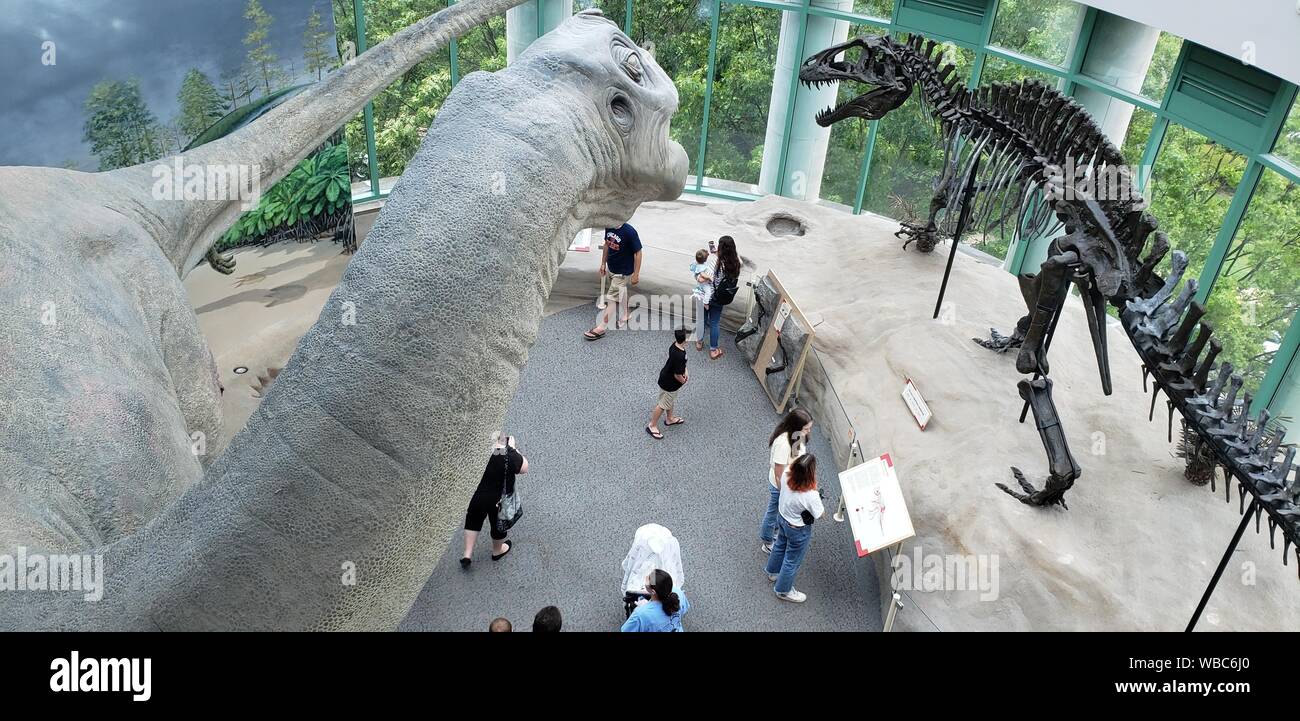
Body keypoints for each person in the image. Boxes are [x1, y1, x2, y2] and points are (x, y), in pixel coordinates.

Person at [460, 434, 528, 568]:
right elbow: (524, 468)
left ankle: (467, 554)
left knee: (473, 520)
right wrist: (513, 449)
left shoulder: (480, 451)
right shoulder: (508, 455)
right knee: (498, 526)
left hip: (478, 495)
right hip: (498, 500)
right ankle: (497, 551)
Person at [765, 454, 823, 603]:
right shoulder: (811, 495)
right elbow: (820, 514)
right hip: (798, 529)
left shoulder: (785, 474)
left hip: (782, 518)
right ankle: (783, 590)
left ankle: (772, 572)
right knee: (792, 559)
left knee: (779, 545)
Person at [760, 409, 812, 554]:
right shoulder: (783, 444)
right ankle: (767, 540)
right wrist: (786, 493)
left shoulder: (796, 436)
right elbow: (778, 474)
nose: (808, 432)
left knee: (777, 511)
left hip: (790, 484)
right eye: (806, 428)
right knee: (773, 511)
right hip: (780, 487)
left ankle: (774, 532)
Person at [584, 223, 642, 340]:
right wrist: (603, 263)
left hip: (622, 272)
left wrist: (636, 274)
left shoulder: (630, 232)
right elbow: (607, 244)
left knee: (611, 299)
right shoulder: (609, 225)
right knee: (620, 291)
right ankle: (626, 314)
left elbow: (638, 252)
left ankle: (601, 327)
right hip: (612, 268)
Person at [699, 235, 740, 359]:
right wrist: (717, 253)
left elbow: (705, 277)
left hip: (707, 295)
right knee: (715, 322)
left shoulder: (717, 263)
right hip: (720, 298)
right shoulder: (736, 264)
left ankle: (699, 342)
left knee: (702, 319)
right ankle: (713, 350)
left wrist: (700, 274)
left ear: (721, 248)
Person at [646, 328, 688, 439]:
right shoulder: (680, 355)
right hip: (670, 383)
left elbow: (681, 366)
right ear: (685, 340)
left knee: (669, 400)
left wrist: (685, 370)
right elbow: (677, 375)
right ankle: (652, 425)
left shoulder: (674, 346)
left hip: (665, 378)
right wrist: (684, 381)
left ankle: (669, 419)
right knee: (662, 404)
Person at [621, 569, 689, 632]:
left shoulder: (641, 614)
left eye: (648, 580)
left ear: (653, 591)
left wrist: (643, 608)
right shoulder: (678, 593)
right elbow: (684, 609)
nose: (646, 577)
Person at [690, 249, 713, 350]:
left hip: (699, 289)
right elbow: (701, 277)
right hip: (704, 288)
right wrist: (709, 278)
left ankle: (699, 340)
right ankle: (706, 303)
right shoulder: (703, 267)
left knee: (701, 319)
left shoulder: (695, 263)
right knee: (708, 292)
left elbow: (697, 276)